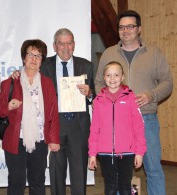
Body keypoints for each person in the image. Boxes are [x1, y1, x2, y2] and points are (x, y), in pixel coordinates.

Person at [94, 10, 173, 195]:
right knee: (120, 174)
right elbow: (98, 82)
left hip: (146, 119)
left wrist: (151, 95)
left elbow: (168, 82)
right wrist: (107, 101)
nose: (125, 30)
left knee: (153, 169)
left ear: (139, 29)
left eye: (130, 26)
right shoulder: (108, 53)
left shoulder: (153, 53)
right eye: (122, 27)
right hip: (116, 124)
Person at [12, 28, 95, 195]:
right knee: (56, 173)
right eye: (61, 43)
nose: (65, 47)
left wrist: (90, 93)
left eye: (69, 43)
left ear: (74, 45)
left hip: (79, 127)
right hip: (54, 126)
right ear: (54, 46)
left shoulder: (86, 65)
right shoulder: (44, 65)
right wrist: (16, 74)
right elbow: (28, 74)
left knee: (79, 174)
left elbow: (95, 94)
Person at [0, 39, 60, 195]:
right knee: (16, 182)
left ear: (42, 60)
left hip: (40, 139)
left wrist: (54, 139)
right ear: (24, 57)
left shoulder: (47, 83)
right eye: (30, 54)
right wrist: (8, 106)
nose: (34, 59)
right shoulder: (9, 83)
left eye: (38, 55)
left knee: (38, 181)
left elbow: (53, 113)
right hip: (15, 139)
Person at [88, 61, 146, 195]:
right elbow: (94, 130)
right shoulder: (98, 101)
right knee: (110, 187)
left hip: (127, 152)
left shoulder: (131, 99)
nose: (112, 79)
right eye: (108, 75)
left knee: (125, 187)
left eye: (116, 75)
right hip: (105, 153)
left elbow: (138, 127)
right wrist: (92, 154)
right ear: (104, 77)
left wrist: (139, 152)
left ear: (122, 77)